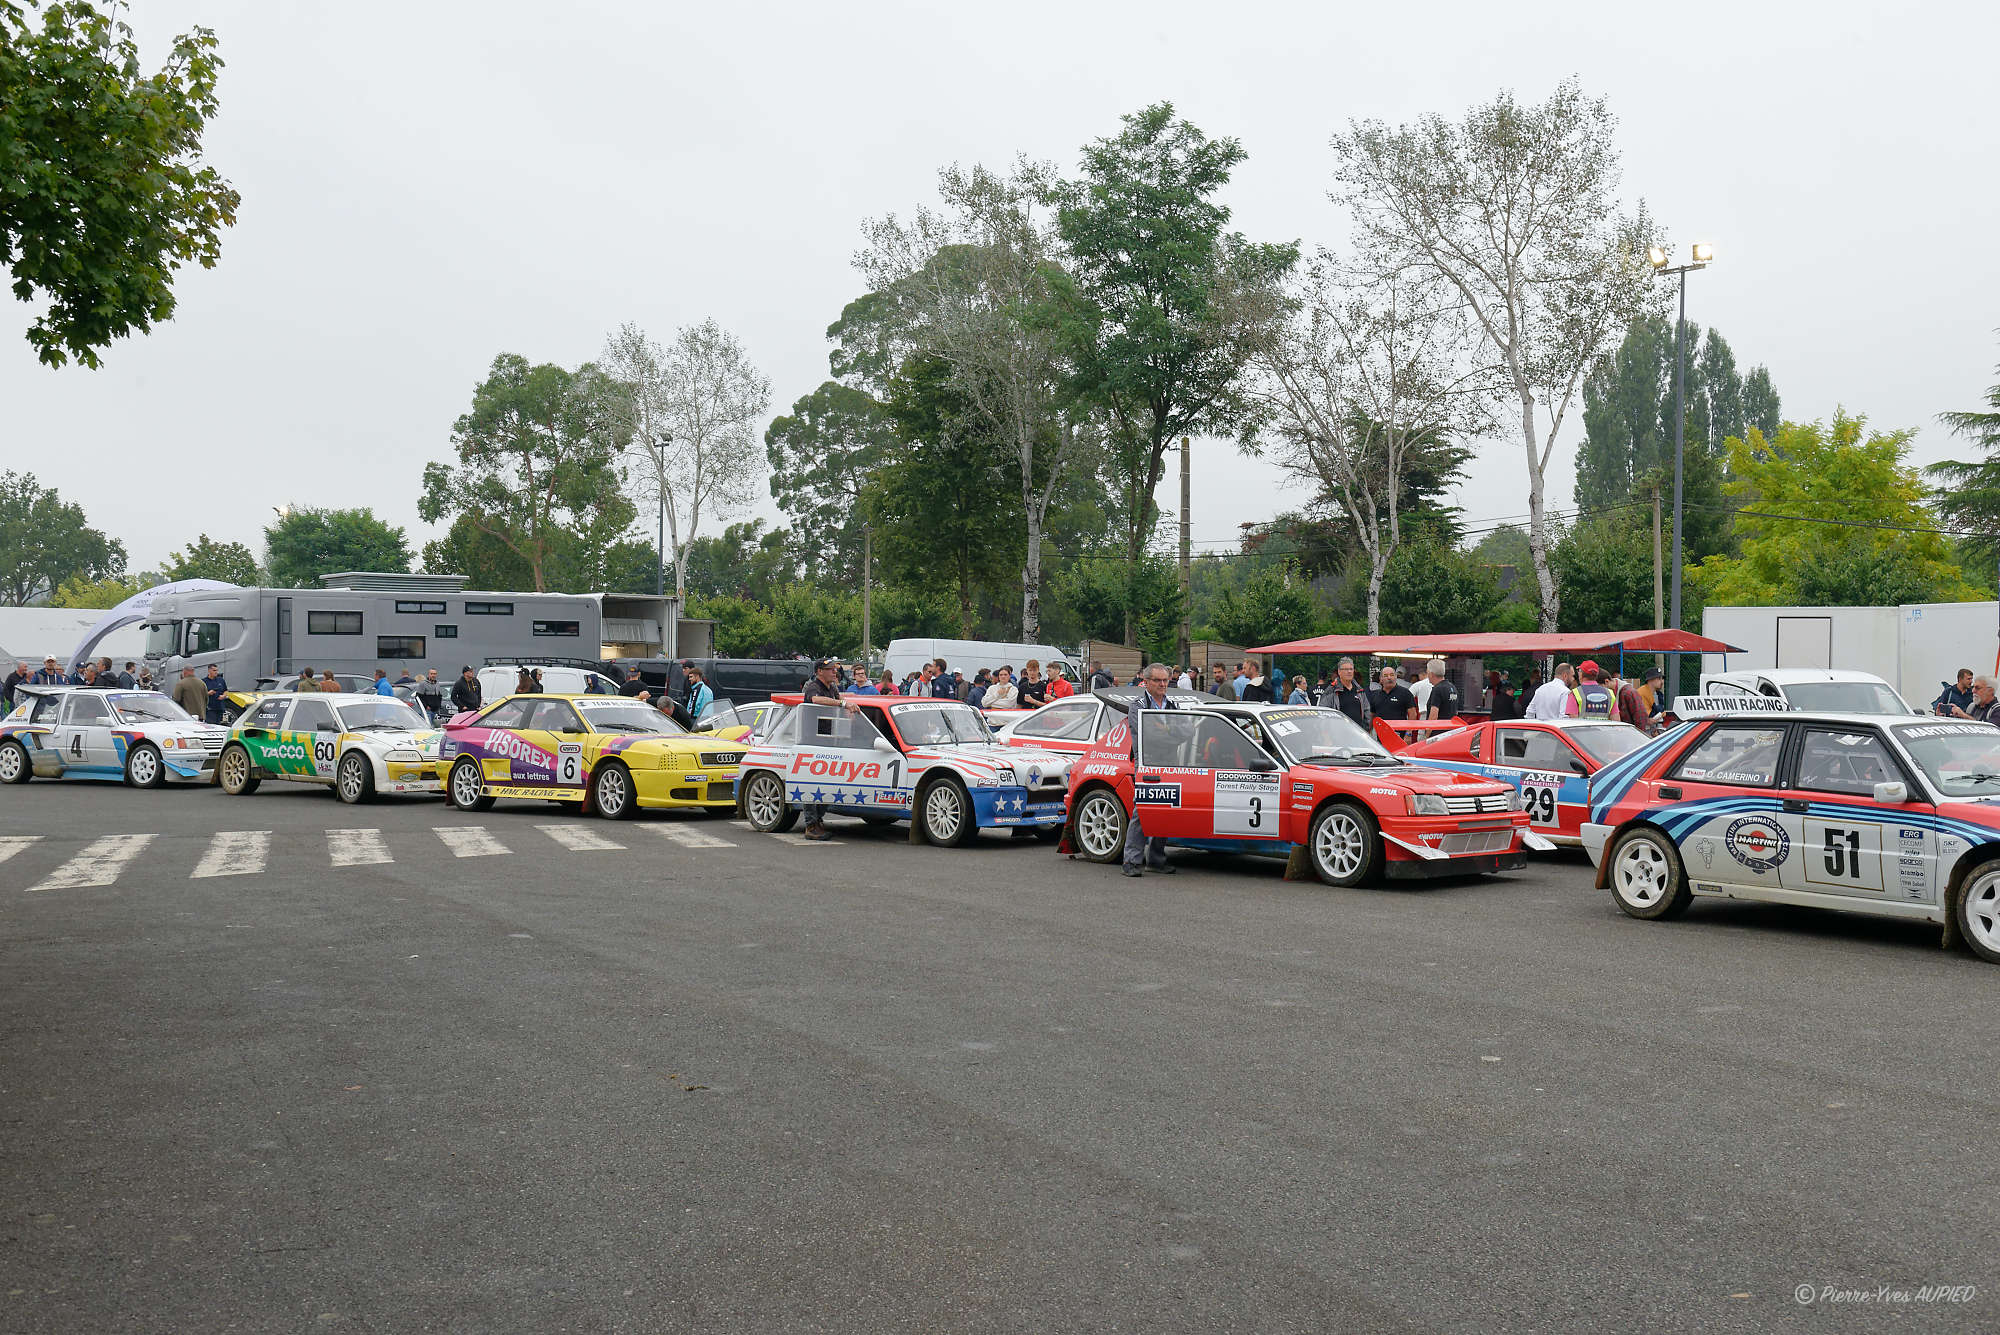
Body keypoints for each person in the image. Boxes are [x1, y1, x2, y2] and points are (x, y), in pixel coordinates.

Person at [1122, 663, 1182, 878]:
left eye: (1165, 680)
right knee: (1142, 811)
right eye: (1158, 680)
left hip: (1170, 763)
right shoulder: (1137, 707)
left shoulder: (1173, 705)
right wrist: (1171, 733)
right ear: (1146, 682)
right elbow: (1149, 735)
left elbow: (1187, 731)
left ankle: (1156, 860)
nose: (1163, 684)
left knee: (1165, 810)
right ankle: (1131, 861)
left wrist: (1165, 730)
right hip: (1148, 763)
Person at [798, 660, 849, 841]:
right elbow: (815, 700)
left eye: (835, 669)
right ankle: (811, 825)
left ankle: (818, 820)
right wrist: (842, 704)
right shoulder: (813, 687)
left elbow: (840, 701)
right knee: (811, 784)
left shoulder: (832, 688)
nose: (835, 672)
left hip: (828, 741)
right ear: (820, 671)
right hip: (812, 742)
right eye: (830, 669)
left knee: (826, 783)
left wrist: (847, 706)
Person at [1326, 659, 1372, 727]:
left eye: (1351, 669)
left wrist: (1365, 729)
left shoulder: (1359, 690)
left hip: (1357, 732)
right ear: (1339, 672)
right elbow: (1324, 714)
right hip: (1338, 731)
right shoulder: (1331, 690)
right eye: (1346, 669)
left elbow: (1367, 712)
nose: (1349, 671)